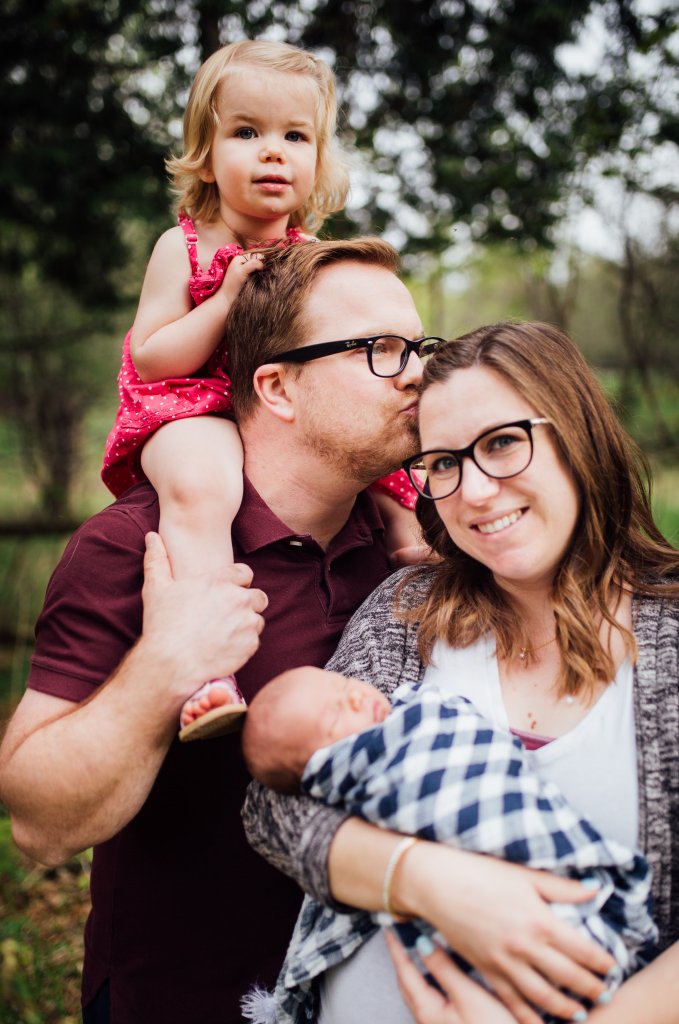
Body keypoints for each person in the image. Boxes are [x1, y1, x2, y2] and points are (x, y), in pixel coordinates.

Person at [0, 236, 442, 1024]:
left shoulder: (419, 548)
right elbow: (40, 825)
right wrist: (166, 662)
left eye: (417, 347)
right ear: (276, 387)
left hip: (384, 999)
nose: (414, 372)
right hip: (183, 1002)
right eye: (378, 349)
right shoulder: (135, 548)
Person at [242, 320, 679, 1024]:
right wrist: (433, 883)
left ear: (578, 434)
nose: (473, 491)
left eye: (502, 443)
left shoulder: (671, 639)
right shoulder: (408, 608)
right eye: (443, 462)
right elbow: (276, 805)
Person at [100, 39, 421, 740]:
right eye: (246, 132)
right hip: (188, 403)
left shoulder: (306, 257)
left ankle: (422, 584)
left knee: (392, 468)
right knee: (203, 489)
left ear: (318, 160)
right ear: (204, 155)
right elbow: (151, 359)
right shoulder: (185, 245)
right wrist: (225, 299)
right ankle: (204, 665)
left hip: (275, 408)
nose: (273, 151)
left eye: (295, 136)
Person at [241, 666, 655, 1021]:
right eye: (334, 714)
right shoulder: (395, 621)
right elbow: (270, 802)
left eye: (346, 684)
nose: (354, 695)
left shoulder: (663, 649)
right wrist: (417, 876)